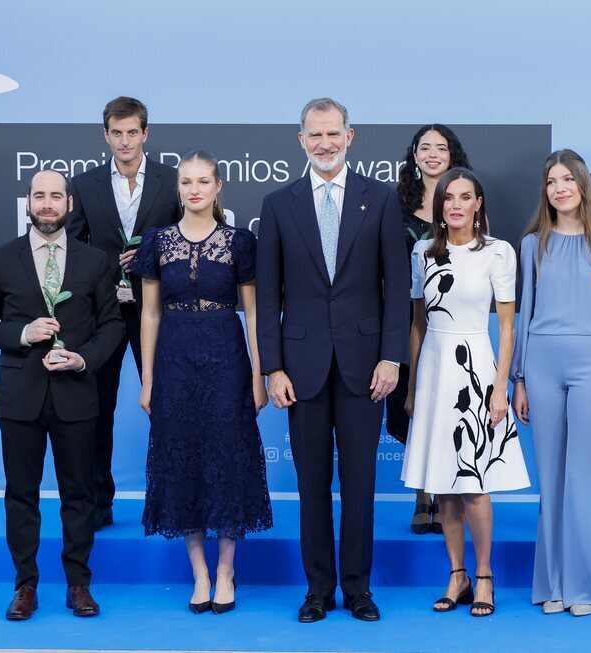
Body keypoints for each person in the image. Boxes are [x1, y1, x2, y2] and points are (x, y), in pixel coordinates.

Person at [256, 98, 409, 623]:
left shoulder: (382, 199)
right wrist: (272, 367)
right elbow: (268, 295)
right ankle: (318, 589)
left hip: (367, 367)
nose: (324, 143)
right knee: (311, 485)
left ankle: (359, 590)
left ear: (351, 136)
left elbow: (398, 288)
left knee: (361, 484)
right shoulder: (278, 204)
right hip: (301, 369)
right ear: (301, 140)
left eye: (333, 134)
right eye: (314, 135)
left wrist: (393, 357)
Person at [0, 170, 124, 620]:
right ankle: (25, 586)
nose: (48, 204)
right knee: (22, 494)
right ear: (29, 203)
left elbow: (113, 325)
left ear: (70, 205)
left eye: (56, 195)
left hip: (76, 392)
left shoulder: (95, 262)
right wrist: (21, 332)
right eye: (40, 196)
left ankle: (78, 584)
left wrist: (83, 359)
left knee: (80, 495)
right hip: (20, 395)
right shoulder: (1, 259)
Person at [133, 151, 273, 615]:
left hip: (227, 359)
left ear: (218, 187)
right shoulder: (158, 242)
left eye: (203, 181)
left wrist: (258, 373)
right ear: (178, 188)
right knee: (182, 461)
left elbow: (254, 313)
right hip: (174, 360)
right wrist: (148, 378)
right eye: (186, 182)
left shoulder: (240, 242)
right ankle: (200, 573)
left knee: (228, 459)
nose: (194, 189)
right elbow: (149, 314)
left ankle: (228, 571)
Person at [510, 149, 591, 616]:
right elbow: (525, 315)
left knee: (584, 476)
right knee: (553, 477)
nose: (559, 188)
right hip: (541, 362)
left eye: (567, 179)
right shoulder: (532, 244)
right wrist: (518, 378)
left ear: (582, 184)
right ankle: (554, 584)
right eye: (551, 181)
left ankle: (587, 587)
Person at [402, 168, 529, 617]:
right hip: (434, 370)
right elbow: (418, 325)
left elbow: (508, 327)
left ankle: (485, 576)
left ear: (479, 203)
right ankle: (456, 576)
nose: (455, 204)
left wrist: (500, 386)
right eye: (448, 197)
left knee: (472, 481)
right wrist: (414, 384)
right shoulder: (423, 252)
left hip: (475, 363)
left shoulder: (498, 252)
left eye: (465, 197)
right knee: (444, 483)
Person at [66, 96, 182, 531]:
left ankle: (171, 498)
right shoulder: (84, 184)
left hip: (159, 311)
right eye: (117, 133)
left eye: (133, 132)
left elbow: (184, 243)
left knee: (168, 404)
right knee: (98, 408)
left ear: (145, 134)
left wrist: (150, 262)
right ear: (105, 135)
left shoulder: (172, 182)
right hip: (103, 314)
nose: (125, 140)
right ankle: (99, 501)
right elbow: (75, 251)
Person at [390, 124, 473, 535]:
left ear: (452, 154)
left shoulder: (464, 201)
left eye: (442, 147)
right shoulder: (395, 203)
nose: (434, 154)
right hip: (402, 315)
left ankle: (441, 497)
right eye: (426, 148)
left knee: (445, 403)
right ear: (415, 155)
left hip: (449, 318)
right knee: (411, 405)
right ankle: (421, 494)